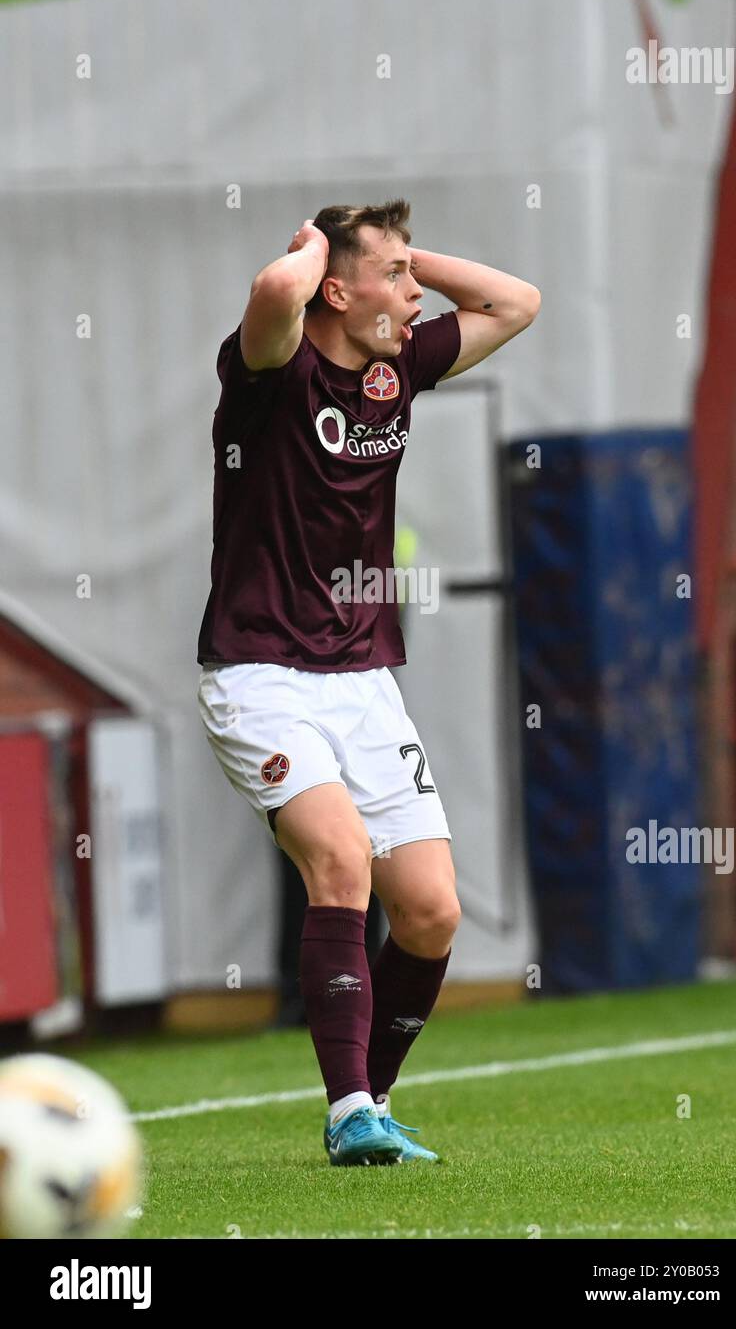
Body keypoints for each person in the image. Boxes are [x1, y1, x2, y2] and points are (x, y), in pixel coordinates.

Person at [197, 199, 540, 1165]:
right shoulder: (272, 370)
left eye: (413, 274)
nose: (416, 290)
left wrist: (402, 257)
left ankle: (369, 1101)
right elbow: (274, 292)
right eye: (394, 276)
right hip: (259, 672)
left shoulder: (396, 370)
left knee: (432, 910)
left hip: (361, 680)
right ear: (336, 291)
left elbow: (517, 303)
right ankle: (350, 1110)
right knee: (341, 861)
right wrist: (317, 251)